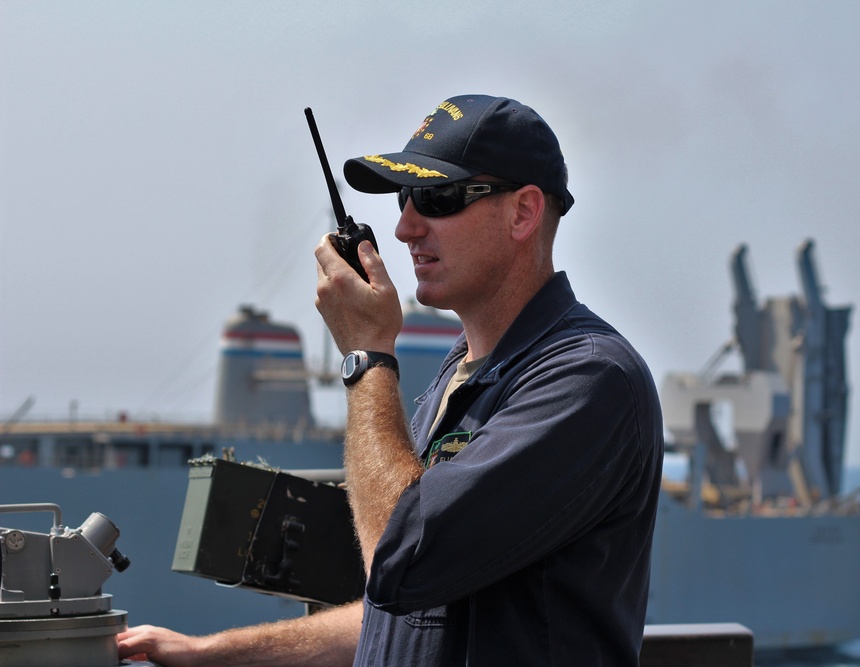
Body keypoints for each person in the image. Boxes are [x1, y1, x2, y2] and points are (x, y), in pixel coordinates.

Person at [118, 94, 664, 666]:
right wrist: (211, 654)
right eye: (405, 198)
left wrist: (367, 354)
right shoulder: (458, 377)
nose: (405, 227)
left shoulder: (588, 379)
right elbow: (397, 609)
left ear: (524, 213)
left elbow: (401, 557)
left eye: (437, 197)